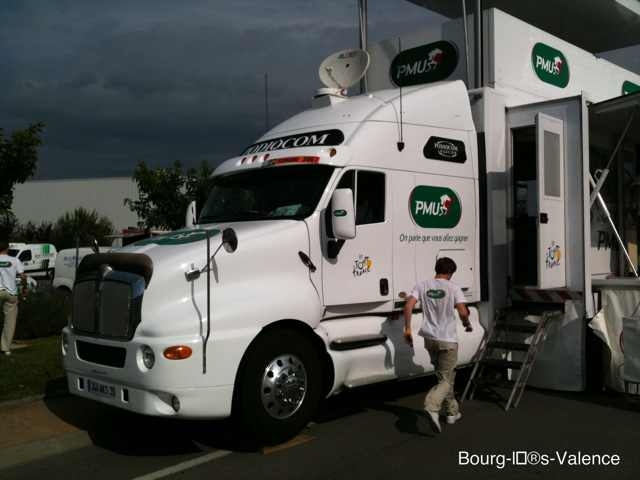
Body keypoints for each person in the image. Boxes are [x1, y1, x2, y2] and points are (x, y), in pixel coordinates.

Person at [403, 257, 472, 433]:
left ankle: (451, 413)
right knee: (447, 380)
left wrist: (408, 329)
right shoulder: (453, 288)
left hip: (430, 339)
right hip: (447, 339)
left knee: (444, 377)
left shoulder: (422, 285)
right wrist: (466, 323)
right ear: (450, 272)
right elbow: (463, 312)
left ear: (437, 269)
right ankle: (432, 406)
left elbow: (408, 305)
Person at [0, 239, 27, 355]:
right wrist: (24, 290)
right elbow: (23, 277)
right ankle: (5, 348)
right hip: (11, 294)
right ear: (7, 248)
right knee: (9, 322)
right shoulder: (15, 260)